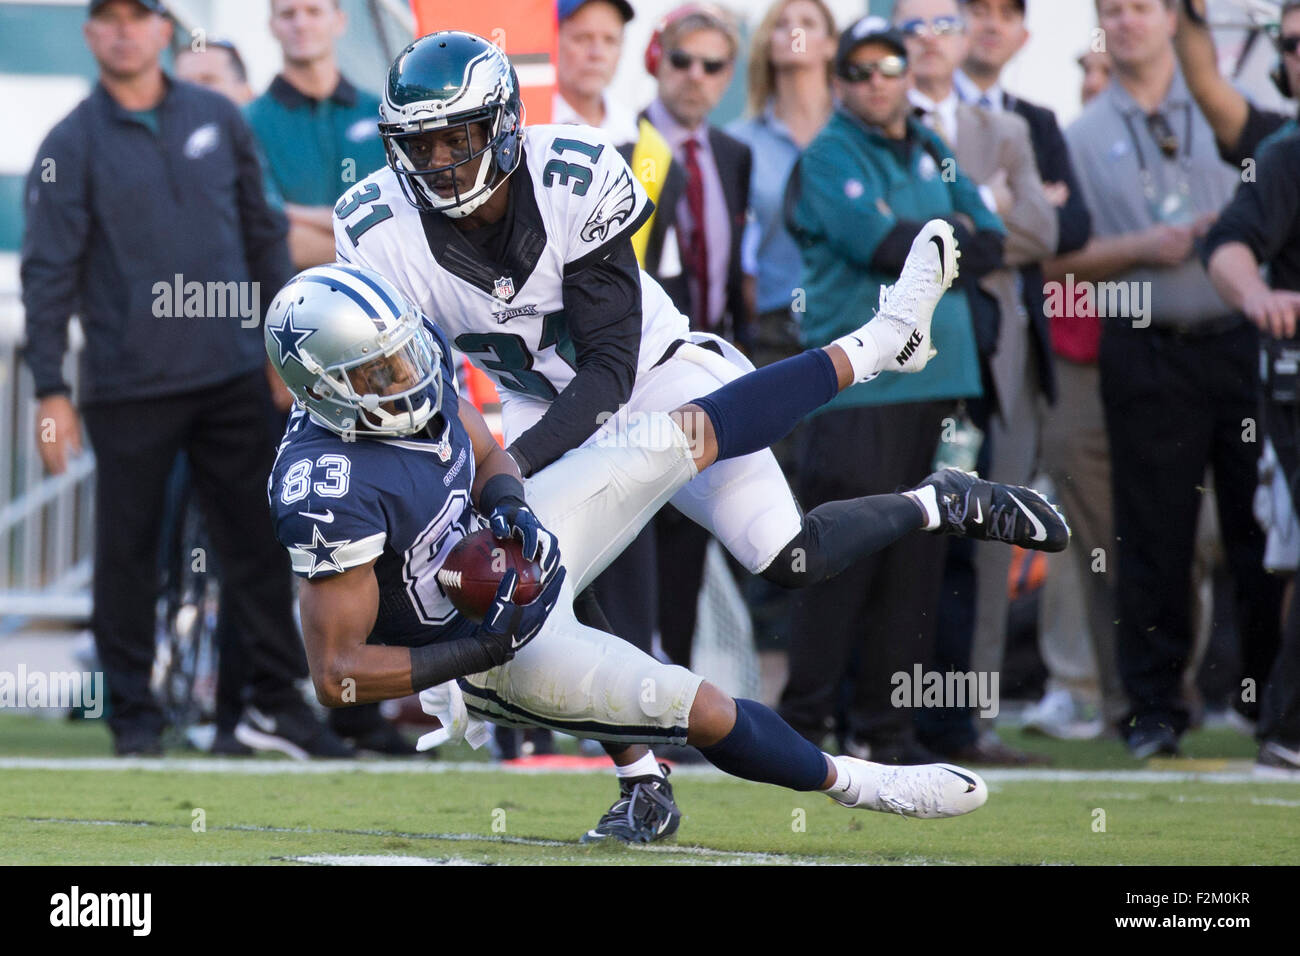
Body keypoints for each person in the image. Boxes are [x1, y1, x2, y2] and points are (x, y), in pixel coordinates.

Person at [332, 29, 1067, 840]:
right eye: (420, 143)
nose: (438, 161)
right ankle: (643, 781)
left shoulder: (571, 171)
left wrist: (507, 467)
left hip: (656, 374)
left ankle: (936, 498)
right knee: (546, 586)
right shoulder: (376, 230)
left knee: (787, 559)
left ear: (503, 126)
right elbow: (426, 385)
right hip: (535, 402)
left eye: (457, 137)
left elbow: (610, 370)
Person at [263, 256, 1065, 832]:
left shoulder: (411, 371)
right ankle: (865, 786)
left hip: (512, 546)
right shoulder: (325, 486)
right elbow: (337, 677)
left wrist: (509, 505)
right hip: (486, 649)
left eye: (402, 354)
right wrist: (481, 650)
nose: (404, 376)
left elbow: (476, 444)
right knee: (703, 707)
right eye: (376, 374)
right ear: (322, 389)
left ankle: (877, 344)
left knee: (683, 433)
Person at [20, 0, 348, 758]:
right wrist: (49, 390)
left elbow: (263, 235)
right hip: (126, 385)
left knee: (261, 548)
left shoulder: (219, 118)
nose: (125, 30)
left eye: (140, 16)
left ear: (165, 30)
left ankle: (272, 707)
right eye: (109, 19)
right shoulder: (69, 142)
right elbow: (47, 274)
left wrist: (280, 350)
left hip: (234, 374)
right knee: (129, 556)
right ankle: (134, 721)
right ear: (90, 34)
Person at [778, 16, 1009, 762]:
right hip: (857, 388)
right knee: (840, 562)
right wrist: (946, 236)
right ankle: (803, 727)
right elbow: (885, 245)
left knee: (918, 566)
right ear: (840, 80)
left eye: (891, 66)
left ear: (911, 74)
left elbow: (996, 240)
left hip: (938, 389)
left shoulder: (933, 147)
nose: (879, 79)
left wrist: (932, 237)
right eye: (862, 68)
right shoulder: (828, 153)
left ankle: (889, 732)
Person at [1058, 0, 1283, 757]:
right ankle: (1155, 708)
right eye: (1110, 11)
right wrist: (1138, 247)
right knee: (1152, 532)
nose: (1125, 22)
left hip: (1244, 339)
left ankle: (1263, 698)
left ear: (1173, 20)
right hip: (1146, 342)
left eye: (1142, 8)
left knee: (1263, 526)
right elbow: (1059, 259)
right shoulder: (1080, 132)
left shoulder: (1232, 112)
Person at [896, 0, 1057, 766]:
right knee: (892, 532)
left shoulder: (1011, 129)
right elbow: (889, 230)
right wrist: (983, 213)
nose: (928, 39)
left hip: (983, 371)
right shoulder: (869, 130)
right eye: (912, 24)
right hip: (892, 374)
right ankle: (877, 716)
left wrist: (959, 224)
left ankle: (960, 725)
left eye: (942, 23)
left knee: (972, 537)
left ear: (963, 40)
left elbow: (1043, 231)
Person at [955, 0, 1114, 746]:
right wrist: (1007, 208)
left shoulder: (1037, 122)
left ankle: (974, 719)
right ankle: (882, 718)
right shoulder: (919, 111)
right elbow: (925, 227)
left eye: (1004, 13)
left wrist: (982, 220)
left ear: (1024, 33)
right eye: (973, 10)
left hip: (1014, 357)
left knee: (993, 533)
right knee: (905, 529)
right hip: (917, 356)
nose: (988, 24)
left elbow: (1067, 227)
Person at [726, 0, 838, 703]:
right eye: (783, 15)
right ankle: (772, 671)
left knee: (846, 488)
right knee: (768, 498)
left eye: (812, 16)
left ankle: (838, 676)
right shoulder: (739, 140)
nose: (796, 26)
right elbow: (736, 254)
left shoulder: (862, 133)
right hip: (771, 333)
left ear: (832, 43)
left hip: (854, 331)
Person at [1203, 134, 1300, 774]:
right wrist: (1256, 295)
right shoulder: (1288, 154)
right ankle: (1289, 727)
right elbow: (1228, 245)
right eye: (1289, 44)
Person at [246, 0, 388, 272]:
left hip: (390, 307)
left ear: (339, 21)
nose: (301, 24)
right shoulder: (247, 122)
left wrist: (290, 213)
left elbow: (411, 221)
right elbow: (277, 239)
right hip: (290, 303)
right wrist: (379, 250)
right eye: (288, 14)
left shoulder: (382, 115)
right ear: (272, 26)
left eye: (313, 11)